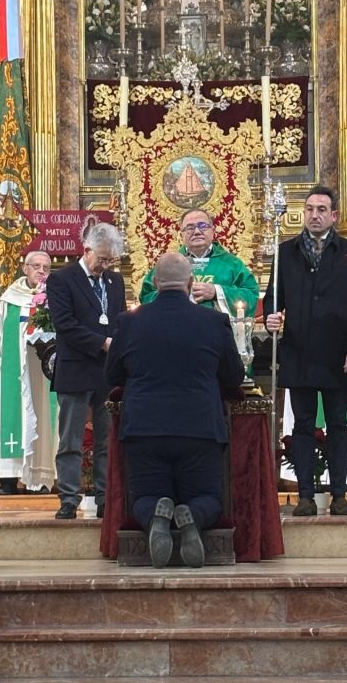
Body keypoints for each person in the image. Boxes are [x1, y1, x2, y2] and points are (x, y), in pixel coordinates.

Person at [106, 253, 245, 568]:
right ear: (191, 282)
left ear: (155, 283)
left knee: (143, 497)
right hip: (200, 429)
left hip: (144, 428)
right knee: (210, 497)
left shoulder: (129, 321)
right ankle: (192, 516)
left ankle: (157, 512)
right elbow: (234, 377)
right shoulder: (214, 321)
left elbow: (112, 376)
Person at [263, 186, 347, 517]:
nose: (314, 215)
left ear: (333, 215)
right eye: (309, 209)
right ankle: (306, 494)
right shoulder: (286, 252)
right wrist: (271, 317)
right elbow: (272, 297)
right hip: (299, 351)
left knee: (338, 423)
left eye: (321, 209)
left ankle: (339, 494)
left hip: (338, 354)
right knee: (303, 426)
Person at [46, 222, 127, 520]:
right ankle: (68, 497)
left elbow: (118, 319)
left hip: (106, 373)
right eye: (101, 259)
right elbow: (65, 325)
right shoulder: (62, 280)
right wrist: (103, 342)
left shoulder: (114, 282)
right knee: (71, 439)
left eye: (109, 261)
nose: (104, 266)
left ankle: (105, 497)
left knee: (107, 438)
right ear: (87, 249)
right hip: (76, 369)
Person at [0, 250, 58, 495]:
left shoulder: (55, 298)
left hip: (43, 373)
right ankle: (8, 479)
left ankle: (39, 479)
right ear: (25, 268)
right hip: (15, 373)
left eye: (46, 267)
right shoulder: (9, 300)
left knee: (43, 414)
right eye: (36, 266)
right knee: (12, 415)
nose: (41, 271)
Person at [139, 209, 259, 317]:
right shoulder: (170, 264)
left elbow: (251, 295)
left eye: (202, 226)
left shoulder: (232, 264)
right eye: (190, 228)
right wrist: (178, 295)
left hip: (217, 333)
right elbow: (146, 296)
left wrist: (217, 292)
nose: (197, 232)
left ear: (212, 231)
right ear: (182, 235)